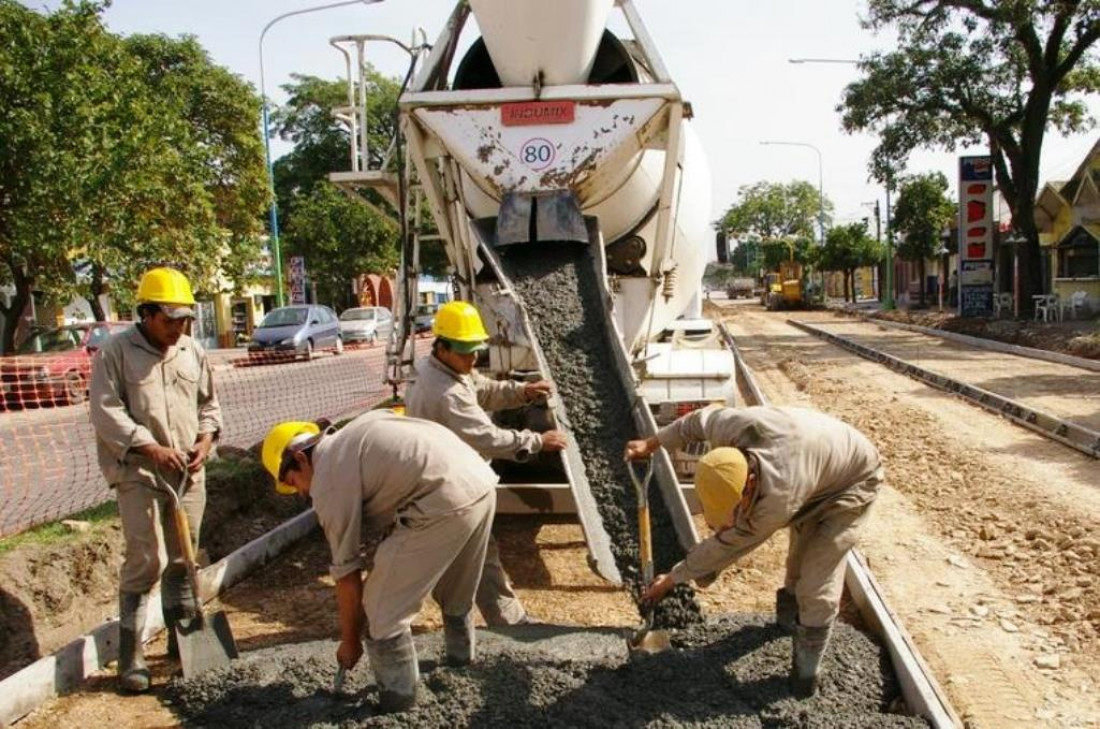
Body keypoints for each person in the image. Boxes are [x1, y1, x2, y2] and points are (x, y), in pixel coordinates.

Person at [624, 405, 883, 696]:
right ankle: (786, 629)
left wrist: (673, 578)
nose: (726, 524)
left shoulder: (776, 501)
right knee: (796, 561)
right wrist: (652, 443)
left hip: (852, 479)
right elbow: (694, 422)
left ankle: (805, 678)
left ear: (749, 487)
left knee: (816, 579)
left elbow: (728, 546)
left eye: (732, 515)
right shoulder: (730, 429)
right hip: (816, 461)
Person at [262, 410, 497, 713]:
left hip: (443, 500)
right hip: (480, 483)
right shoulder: (355, 433)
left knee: (381, 610)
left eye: (293, 482)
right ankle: (461, 667)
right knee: (456, 590)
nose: (301, 492)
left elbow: (347, 573)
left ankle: (400, 705)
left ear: (301, 458)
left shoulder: (328, 480)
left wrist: (350, 641)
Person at [89, 267, 221, 693]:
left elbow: (210, 406)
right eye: (170, 319)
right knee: (147, 560)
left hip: (187, 471)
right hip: (140, 473)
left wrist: (205, 440)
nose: (179, 328)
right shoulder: (114, 353)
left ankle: (183, 644)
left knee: (185, 558)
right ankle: (131, 655)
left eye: (185, 319)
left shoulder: (191, 350)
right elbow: (106, 412)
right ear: (145, 313)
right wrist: (150, 448)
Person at [404, 300, 566, 626]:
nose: (473, 358)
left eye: (475, 350)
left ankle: (505, 619)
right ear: (442, 346)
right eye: (465, 352)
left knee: (477, 555)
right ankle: (409, 623)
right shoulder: (444, 391)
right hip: (444, 488)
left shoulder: (444, 367)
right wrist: (537, 441)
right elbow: (487, 437)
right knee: (464, 556)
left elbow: (483, 388)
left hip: (448, 483)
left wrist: (523, 391)